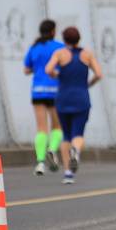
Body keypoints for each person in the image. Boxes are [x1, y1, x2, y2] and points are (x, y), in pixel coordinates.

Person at [45, 27, 102, 184]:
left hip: (63, 98)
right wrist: (89, 83)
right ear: (79, 38)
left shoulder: (60, 54)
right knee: (78, 134)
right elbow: (99, 73)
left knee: (66, 135)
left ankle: (68, 173)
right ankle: (75, 151)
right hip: (81, 97)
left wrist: (57, 75)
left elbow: (48, 69)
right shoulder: (87, 54)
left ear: (64, 39)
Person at [24, 19, 65, 175]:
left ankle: (40, 162)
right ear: (53, 31)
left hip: (38, 90)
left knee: (41, 128)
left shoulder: (34, 48)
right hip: (55, 91)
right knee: (57, 126)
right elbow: (64, 67)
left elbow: (26, 69)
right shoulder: (60, 48)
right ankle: (52, 149)